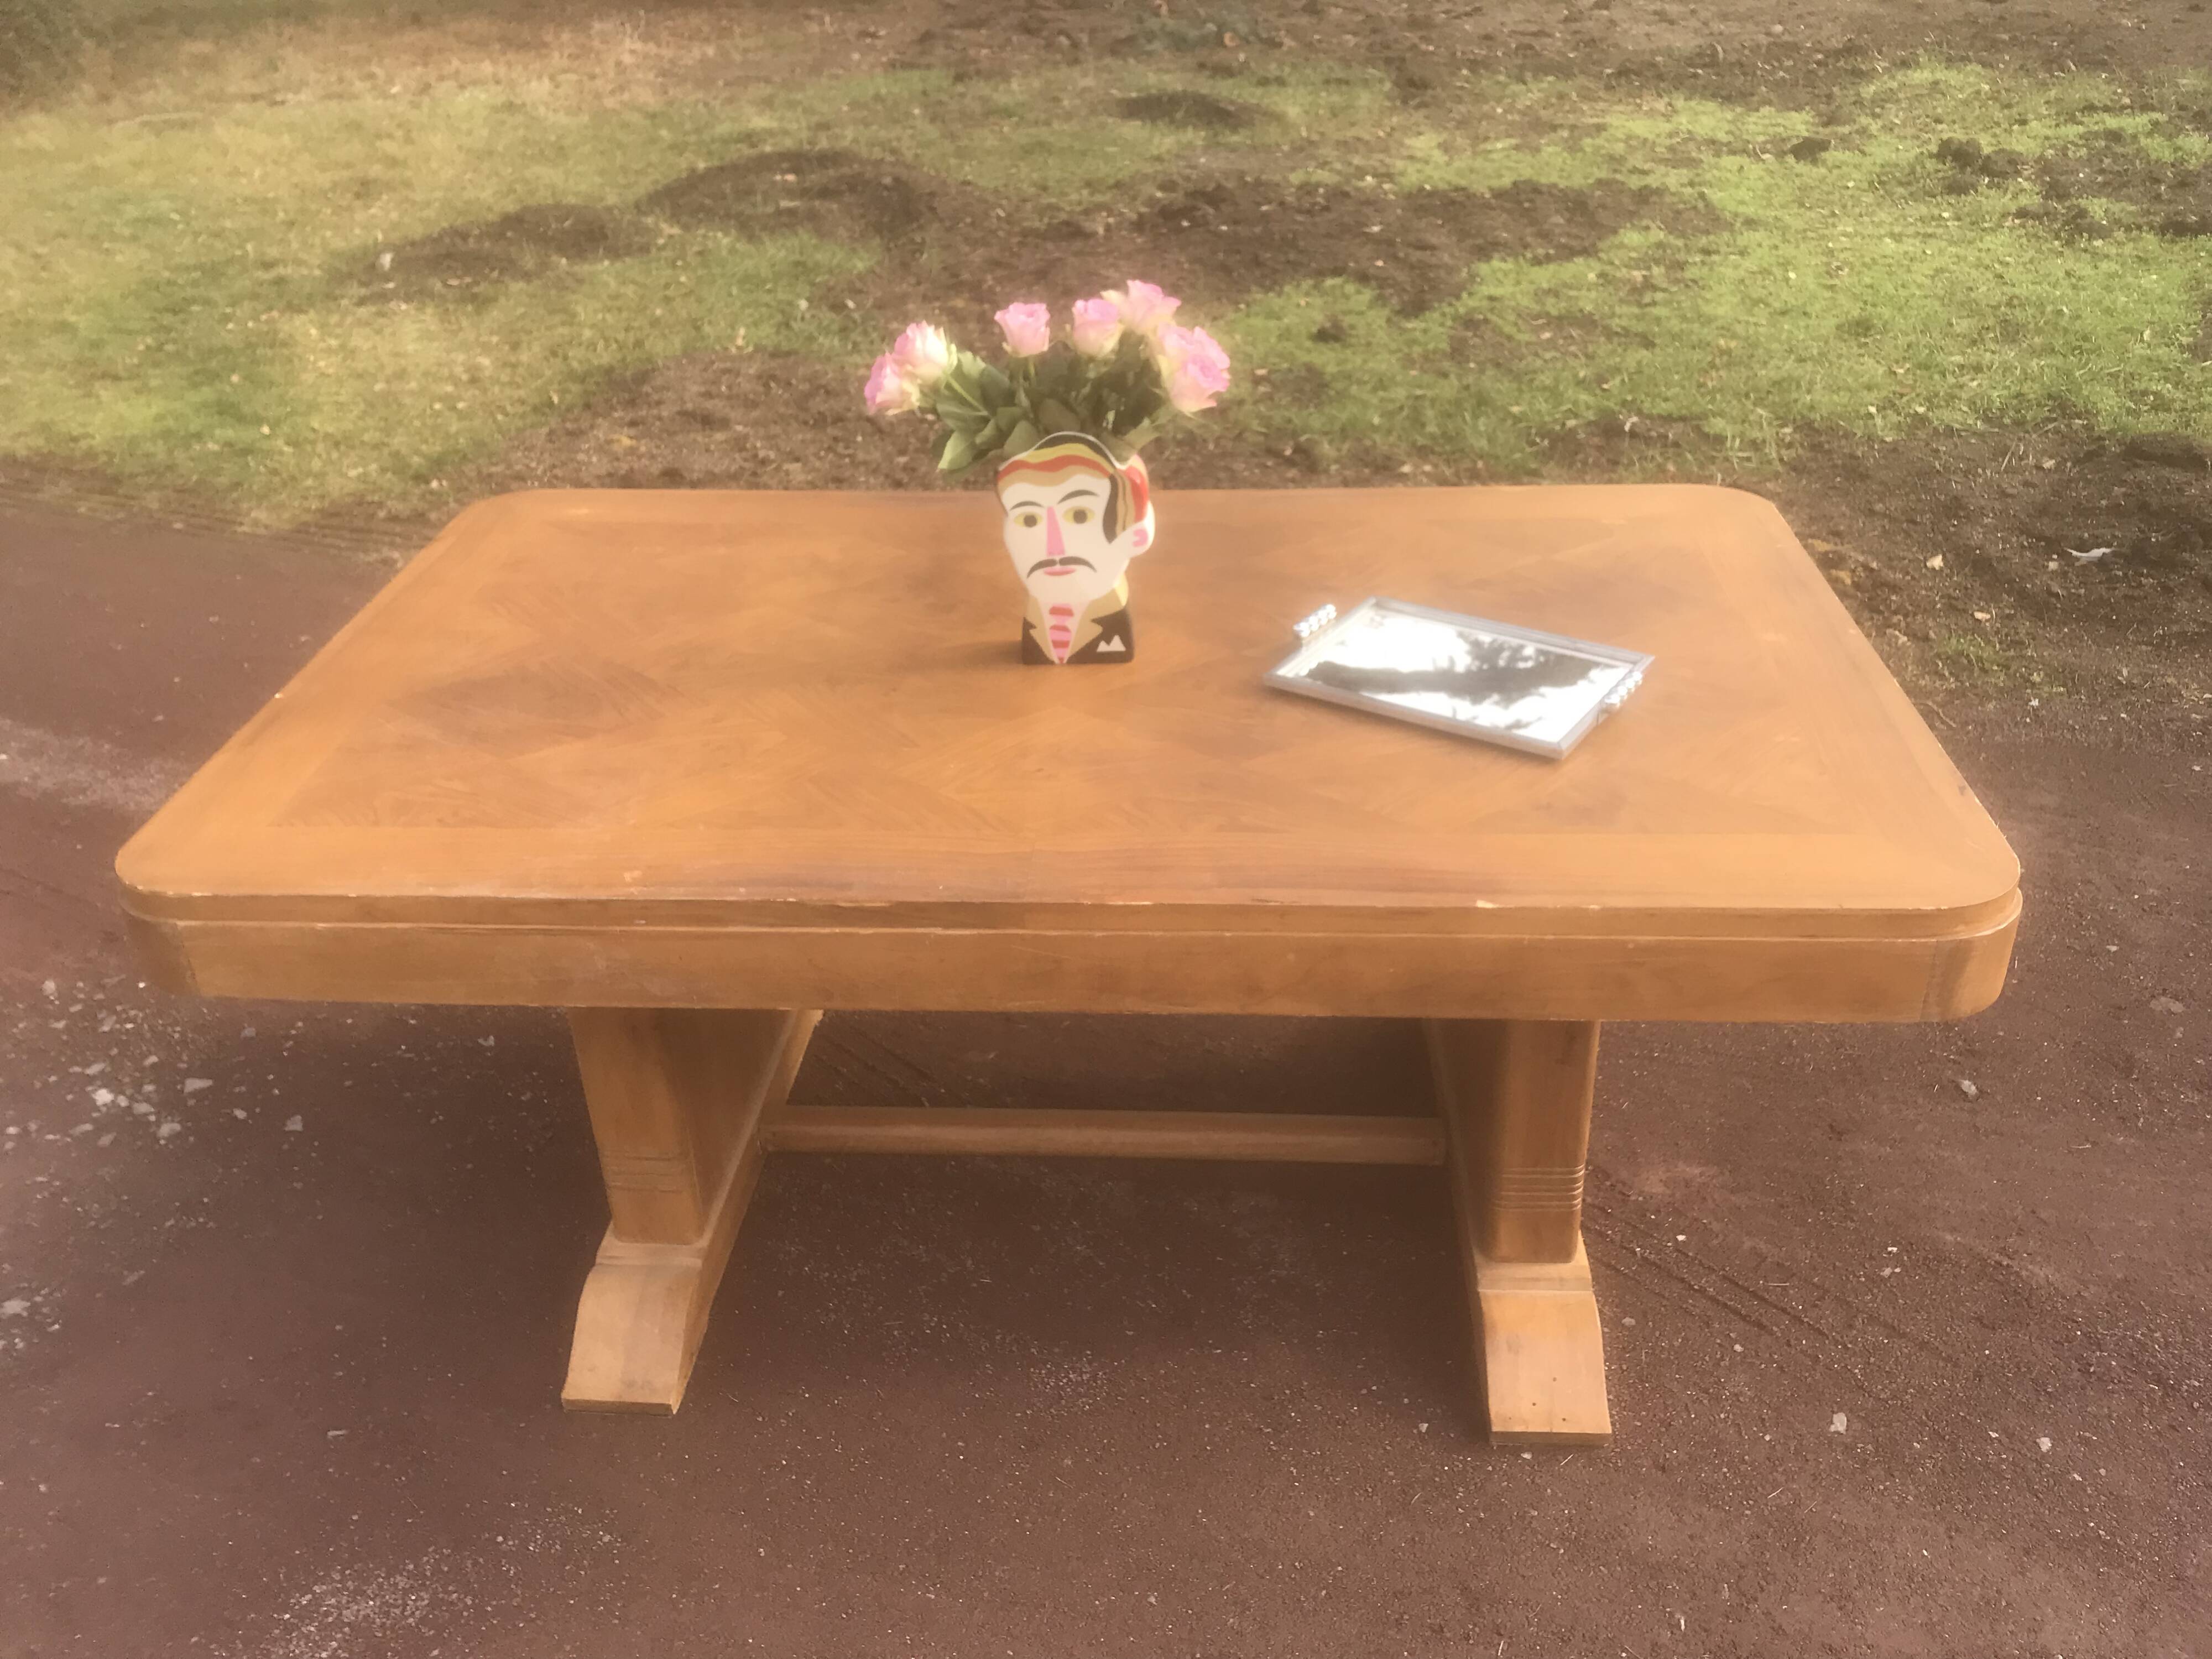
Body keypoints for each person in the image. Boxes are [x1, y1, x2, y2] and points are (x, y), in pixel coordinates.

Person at [994, 432, 1154, 665]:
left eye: (1080, 515)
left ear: (1133, 532)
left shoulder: (1112, 624)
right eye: (1029, 520)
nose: (1054, 547)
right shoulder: (1035, 619)